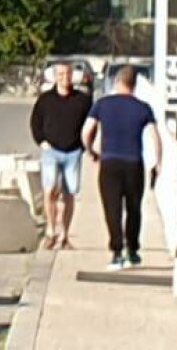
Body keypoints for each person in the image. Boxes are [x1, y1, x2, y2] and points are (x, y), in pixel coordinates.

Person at [81, 65, 164, 271]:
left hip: (109, 162)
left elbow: (86, 131)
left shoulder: (102, 104)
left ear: (117, 82)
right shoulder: (143, 108)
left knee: (113, 209)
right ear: (134, 84)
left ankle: (117, 252)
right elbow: (156, 138)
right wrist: (158, 162)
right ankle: (133, 251)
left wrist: (91, 150)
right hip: (134, 163)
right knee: (134, 208)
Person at [29, 61, 92, 249]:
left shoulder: (82, 100)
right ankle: (50, 231)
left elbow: (91, 124)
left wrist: (84, 146)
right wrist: (41, 141)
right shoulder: (45, 100)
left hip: (73, 152)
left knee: (69, 194)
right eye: (61, 74)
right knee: (49, 191)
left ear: (72, 76)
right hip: (51, 152)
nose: (64, 78)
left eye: (67, 74)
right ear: (55, 76)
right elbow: (35, 122)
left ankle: (64, 234)